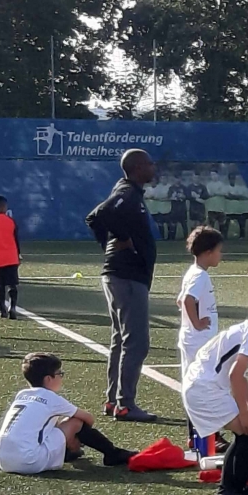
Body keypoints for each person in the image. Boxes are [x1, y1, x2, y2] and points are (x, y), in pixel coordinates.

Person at [85, 148, 161, 422]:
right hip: (127, 276)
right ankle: (125, 404)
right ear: (138, 167)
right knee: (136, 342)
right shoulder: (127, 192)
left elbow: (100, 217)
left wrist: (115, 240)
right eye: (150, 163)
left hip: (123, 275)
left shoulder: (130, 193)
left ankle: (113, 400)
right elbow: (98, 215)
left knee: (121, 340)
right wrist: (120, 240)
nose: (153, 167)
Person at [0, 352, 135, 475]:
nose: (61, 377)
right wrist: (74, 437)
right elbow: (88, 419)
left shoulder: (22, 394)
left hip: (2, 459)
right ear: (48, 379)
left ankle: (67, 452)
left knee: (53, 426)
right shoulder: (51, 398)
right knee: (75, 422)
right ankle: (112, 453)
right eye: (59, 374)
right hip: (29, 461)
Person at [182, 317, 248, 495]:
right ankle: (227, 492)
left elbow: (238, 375)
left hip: (204, 383)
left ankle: (236, 488)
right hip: (204, 387)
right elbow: (235, 375)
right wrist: (244, 412)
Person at [178, 226, 223, 377]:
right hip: (199, 339)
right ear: (208, 252)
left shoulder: (192, 272)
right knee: (200, 378)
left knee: (191, 377)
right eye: (218, 251)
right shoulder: (200, 275)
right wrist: (197, 324)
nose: (220, 255)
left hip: (192, 337)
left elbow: (180, 300)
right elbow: (187, 300)